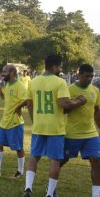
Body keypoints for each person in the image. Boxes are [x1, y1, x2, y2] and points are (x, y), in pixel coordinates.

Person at [23, 54, 87, 197]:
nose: (60, 69)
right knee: (55, 160)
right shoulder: (59, 82)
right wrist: (78, 101)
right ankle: (50, 194)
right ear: (54, 66)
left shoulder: (34, 81)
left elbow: (29, 103)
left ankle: (28, 188)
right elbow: (64, 104)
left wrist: (35, 120)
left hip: (39, 127)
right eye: (59, 66)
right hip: (55, 128)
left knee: (34, 157)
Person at [60, 64, 100, 197]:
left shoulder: (95, 91)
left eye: (91, 76)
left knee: (97, 161)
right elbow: (64, 110)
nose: (89, 78)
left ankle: (96, 194)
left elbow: (97, 112)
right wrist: (76, 102)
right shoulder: (69, 89)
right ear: (79, 75)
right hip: (72, 134)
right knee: (61, 160)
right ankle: (51, 186)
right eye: (86, 76)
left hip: (91, 134)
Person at [0, 65, 27, 179]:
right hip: (5, 121)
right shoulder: (8, 85)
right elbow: (4, 97)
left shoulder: (19, 86)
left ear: (12, 72)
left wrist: (19, 107)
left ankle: (20, 172)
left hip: (15, 122)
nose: (2, 74)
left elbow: (28, 99)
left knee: (18, 148)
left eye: (5, 71)